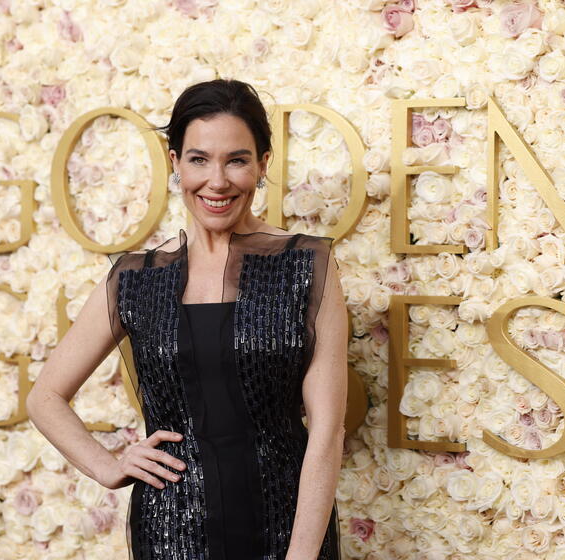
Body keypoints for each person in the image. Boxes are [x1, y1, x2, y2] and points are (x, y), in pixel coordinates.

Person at [27, 78, 347, 559]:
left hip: (286, 525)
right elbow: (44, 397)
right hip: (172, 529)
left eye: (236, 160)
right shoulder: (135, 279)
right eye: (199, 159)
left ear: (263, 165)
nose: (216, 181)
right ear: (176, 164)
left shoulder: (306, 264)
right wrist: (109, 465)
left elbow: (328, 431)